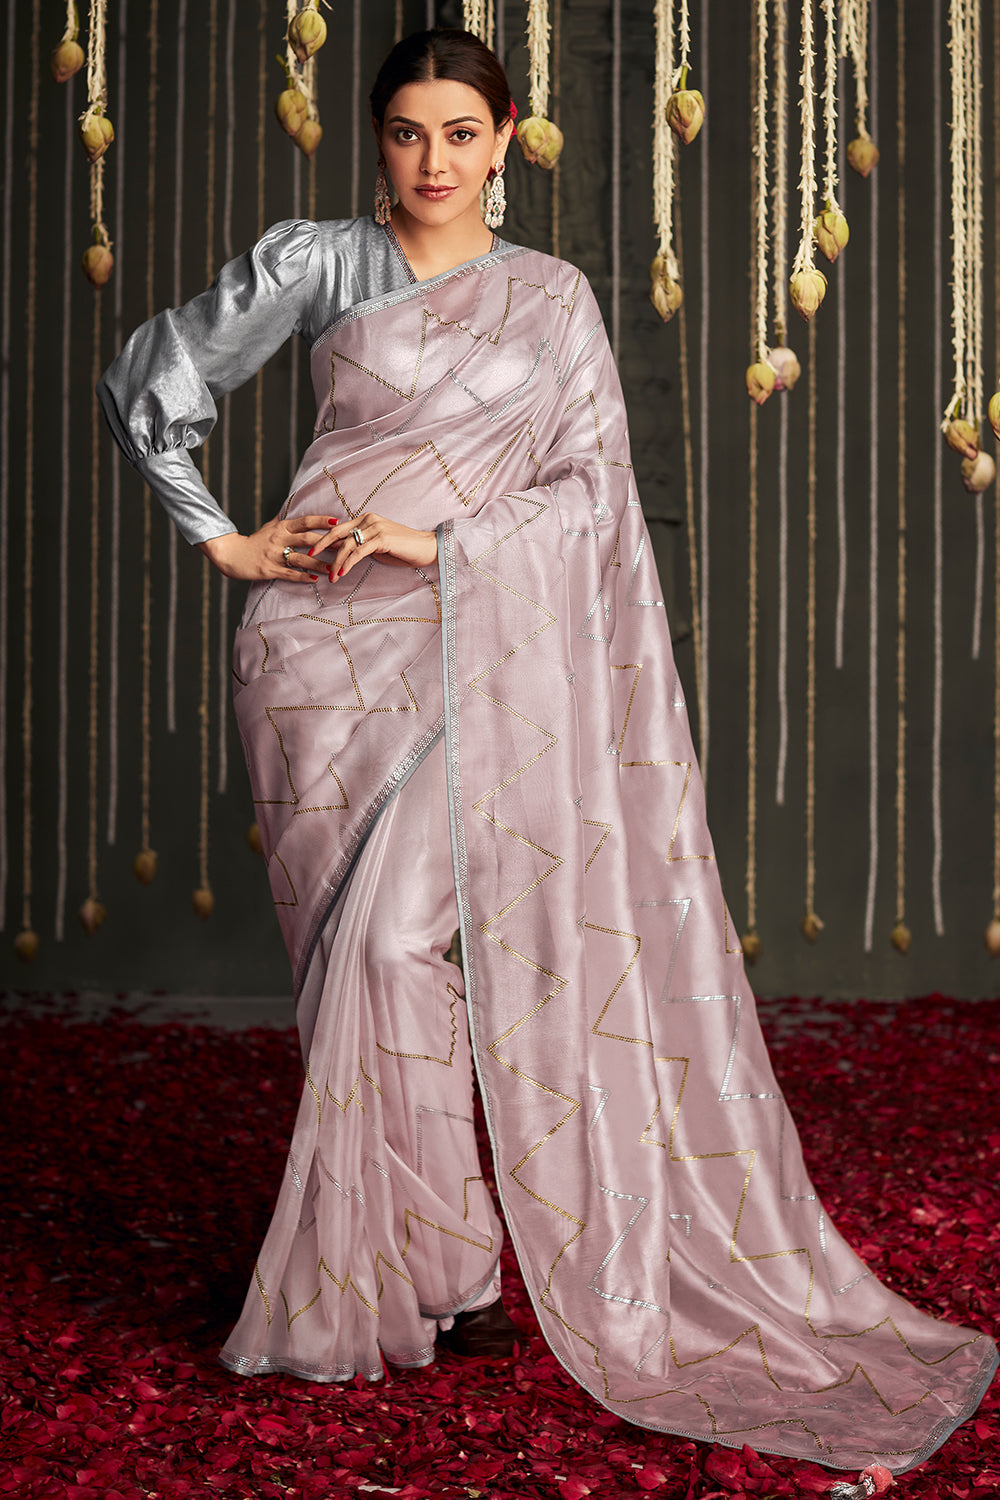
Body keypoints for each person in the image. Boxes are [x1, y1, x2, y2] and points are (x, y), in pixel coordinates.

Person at [98, 26, 996, 1490]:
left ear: (505, 137)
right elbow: (151, 377)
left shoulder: (553, 298)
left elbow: (592, 494)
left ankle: (425, 1270)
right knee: (354, 965)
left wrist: (432, 538)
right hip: (316, 660)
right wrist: (227, 540)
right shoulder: (321, 264)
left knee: (397, 944)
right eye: (406, 132)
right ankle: (440, 1277)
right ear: (375, 139)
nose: (432, 161)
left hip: (477, 644)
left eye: (461, 133)